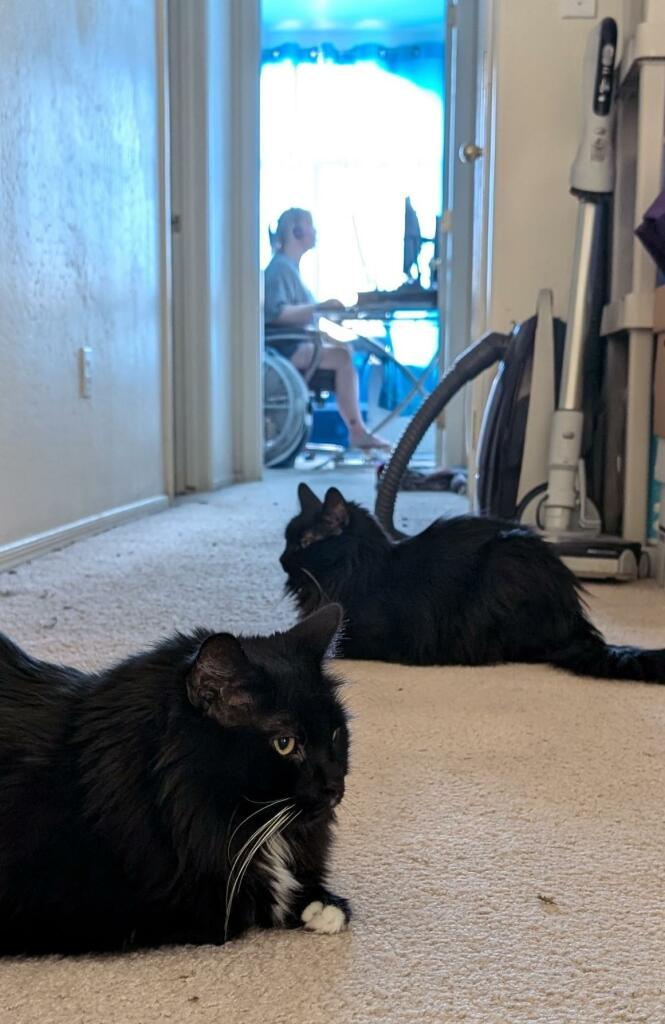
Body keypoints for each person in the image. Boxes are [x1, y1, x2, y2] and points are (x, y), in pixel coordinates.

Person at [264, 208, 389, 450]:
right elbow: (277, 313)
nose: (315, 231)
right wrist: (319, 307)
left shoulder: (290, 269)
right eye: (309, 225)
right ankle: (357, 432)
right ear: (296, 231)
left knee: (344, 349)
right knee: (341, 357)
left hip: (295, 342)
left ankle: (358, 429)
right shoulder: (279, 269)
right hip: (283, 348)